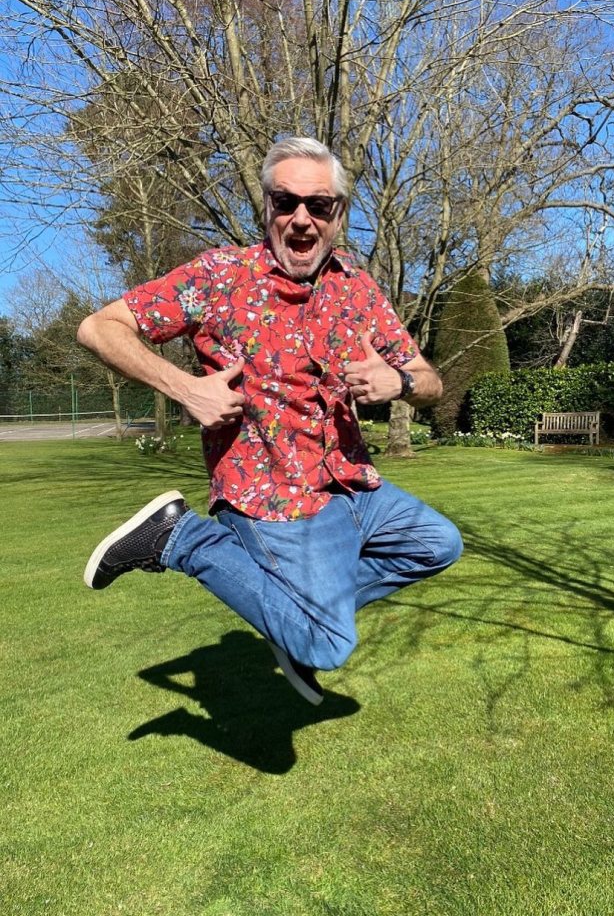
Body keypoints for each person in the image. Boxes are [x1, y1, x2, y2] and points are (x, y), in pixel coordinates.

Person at [78, 136, 463, 706]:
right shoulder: (220, 276)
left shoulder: (357, 288)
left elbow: (429, 378)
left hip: (353, 486)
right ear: (267, 208)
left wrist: (398, 382)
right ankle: (178, 537)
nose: (302, 219)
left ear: (339, 214)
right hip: (275, 498)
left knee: (438, 543)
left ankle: (290, 617)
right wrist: (184, 388)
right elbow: (99, 328)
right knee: (327, 644)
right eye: (286, 203)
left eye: (319, 205)